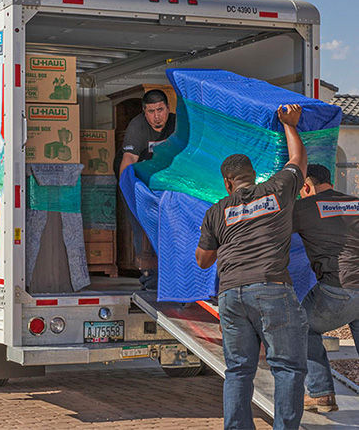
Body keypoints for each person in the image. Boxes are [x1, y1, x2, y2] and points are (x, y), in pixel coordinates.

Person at [195, 104, 308, 430]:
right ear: (252, 175)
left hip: (230, 294)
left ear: (227, 183)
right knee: (286, 367)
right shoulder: (276, 189)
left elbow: (202, 260)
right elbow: (297, 160)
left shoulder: (217, 211)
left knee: (239, 370)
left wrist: (226, 241)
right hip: (271, 289)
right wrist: (290, 124)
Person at [293, 163, 359, 413]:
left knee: (302, 326)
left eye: (301, 190)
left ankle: (321, 393)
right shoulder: (355, 202)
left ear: (307, 186)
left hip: (338, 288)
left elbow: (270, 233)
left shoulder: (305, 207)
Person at [115, 89, 176, 290]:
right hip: (136, 181)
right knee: (142, 227)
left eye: (160, 110)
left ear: (168, 109)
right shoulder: (137, 127)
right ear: (144, 112)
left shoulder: (178, 125)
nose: (156, 116)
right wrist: (131, 196)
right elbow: (128, 161)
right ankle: (150, 278)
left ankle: (172, 275)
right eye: (151, 111)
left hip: (164, 181)